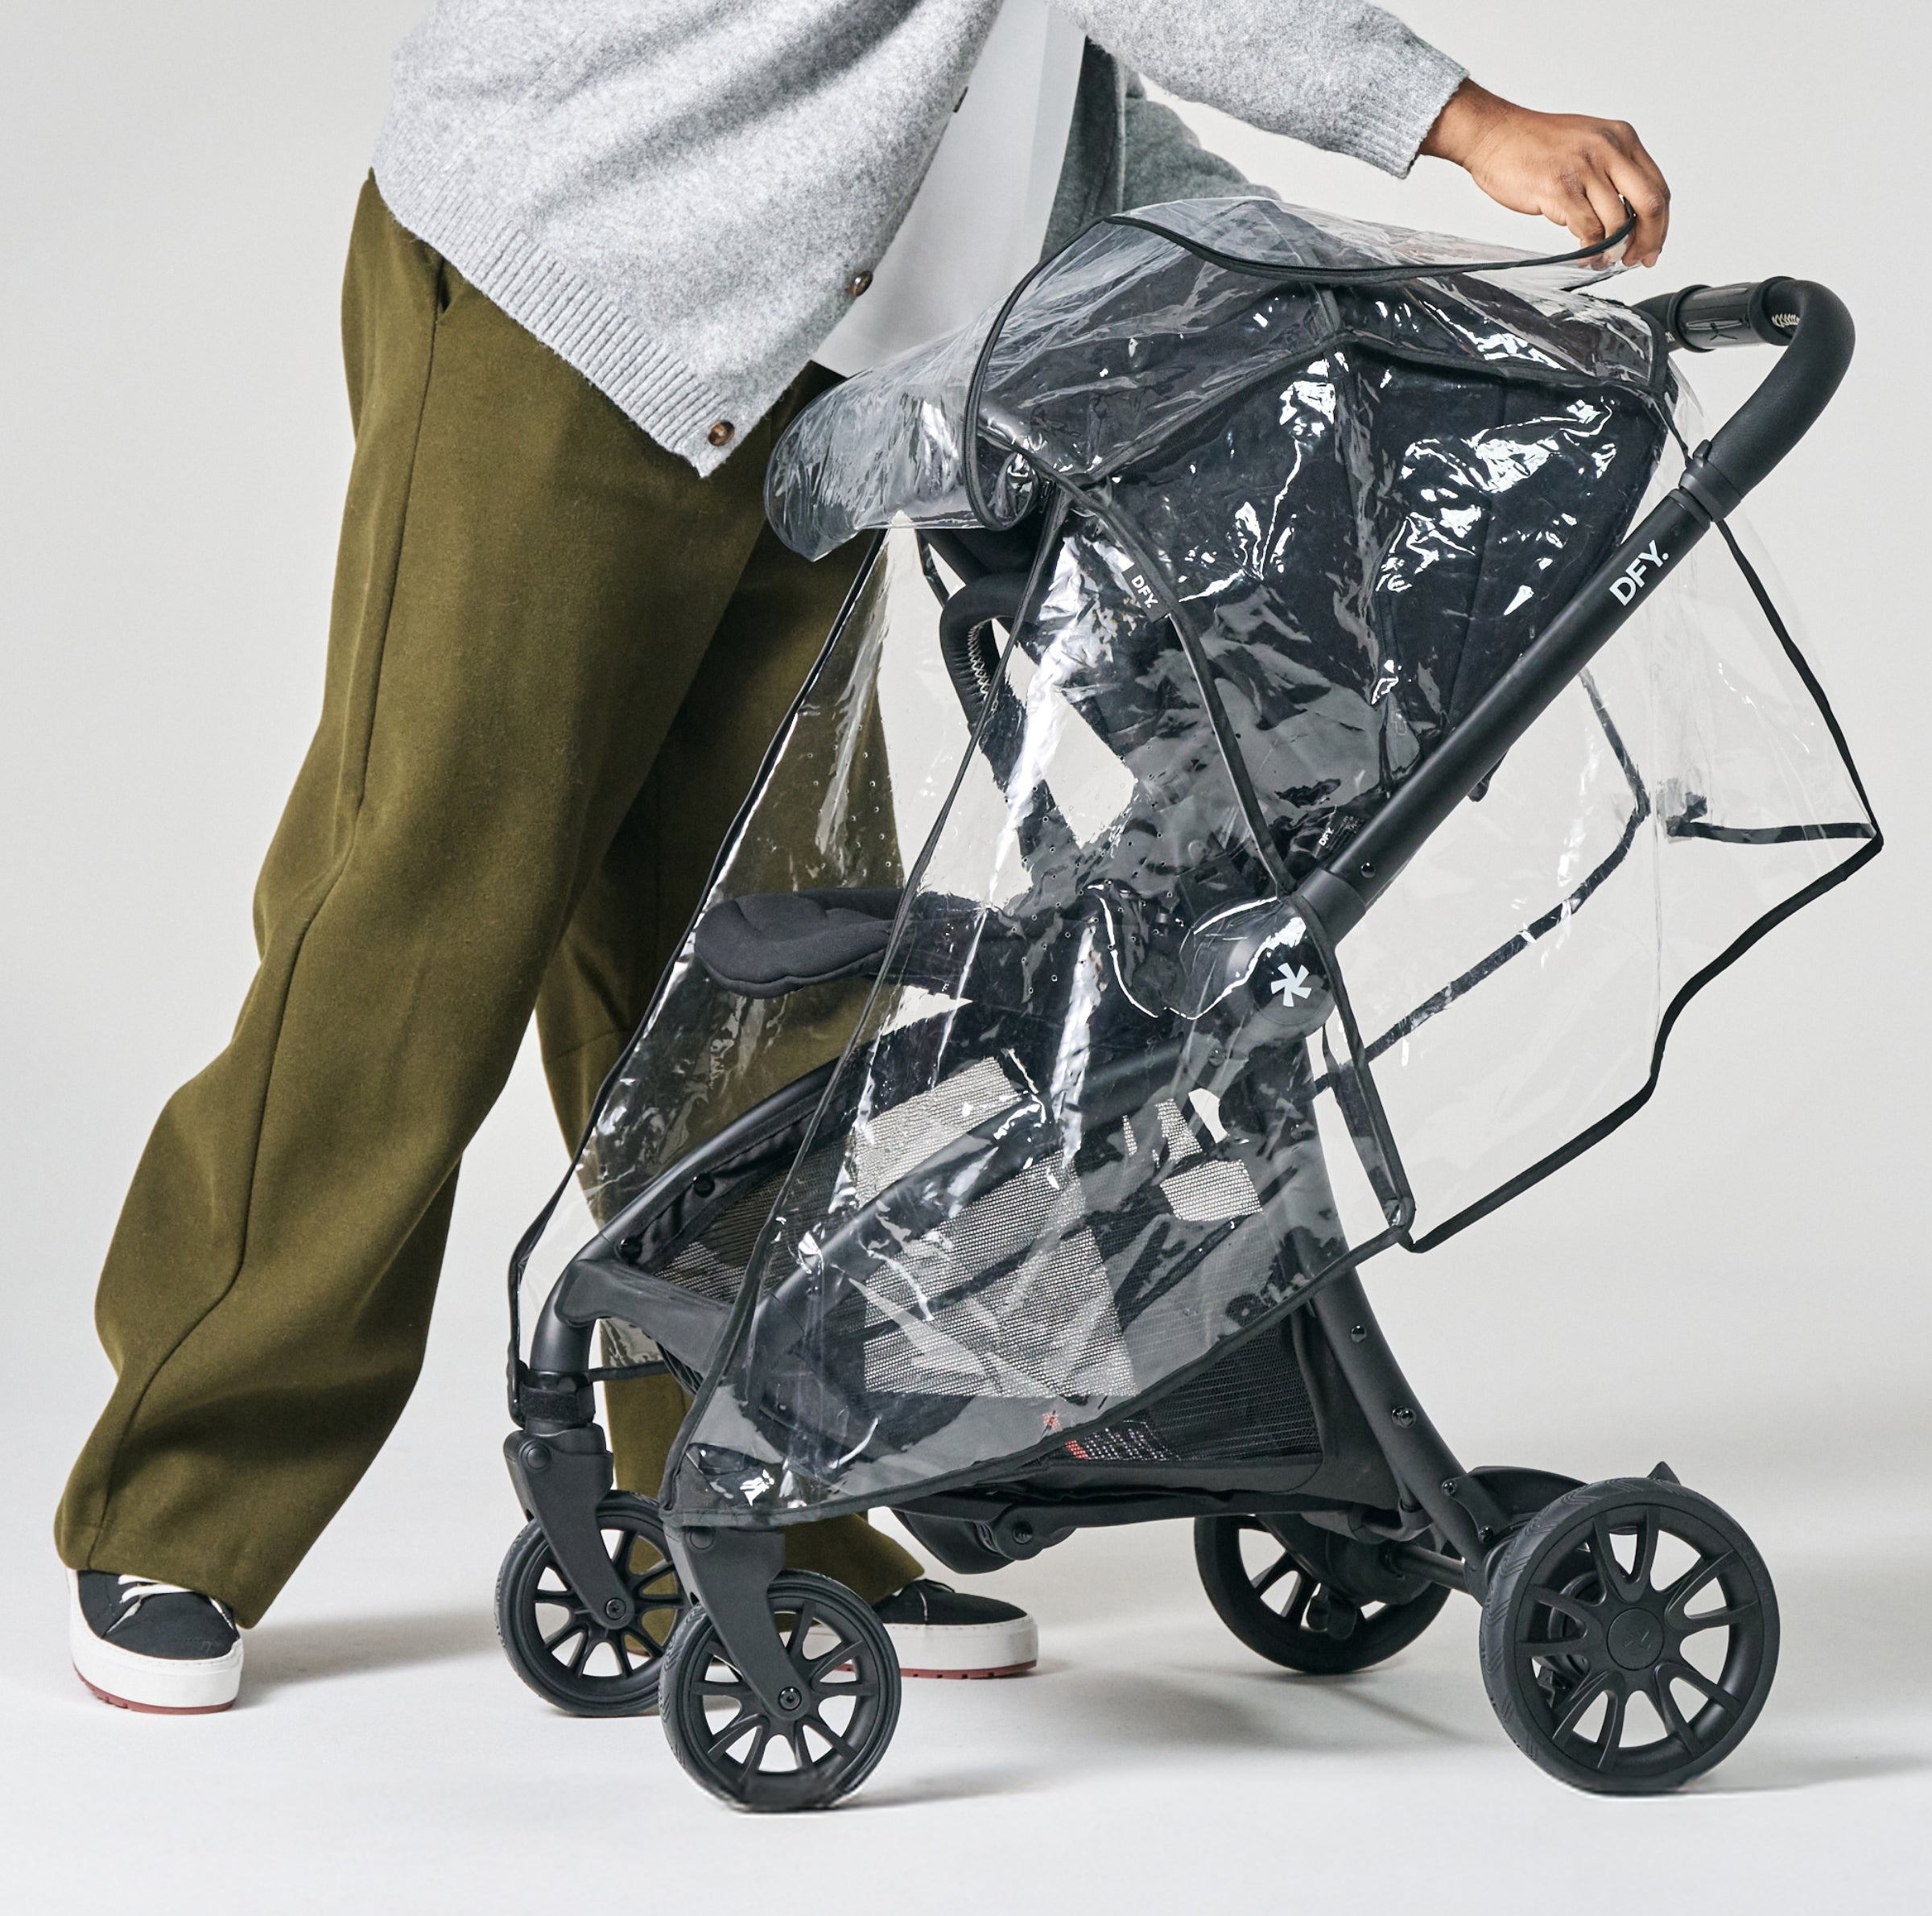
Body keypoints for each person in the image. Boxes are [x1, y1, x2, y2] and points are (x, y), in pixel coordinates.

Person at [59, 0, 1670, 1715]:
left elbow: (1044, 92)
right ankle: (182, 1500)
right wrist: (1456, 118)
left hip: (819, 377)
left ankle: (758, 1503)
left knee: (763, 954)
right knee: (424, 913)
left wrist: (1342, 281)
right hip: (583, 287)